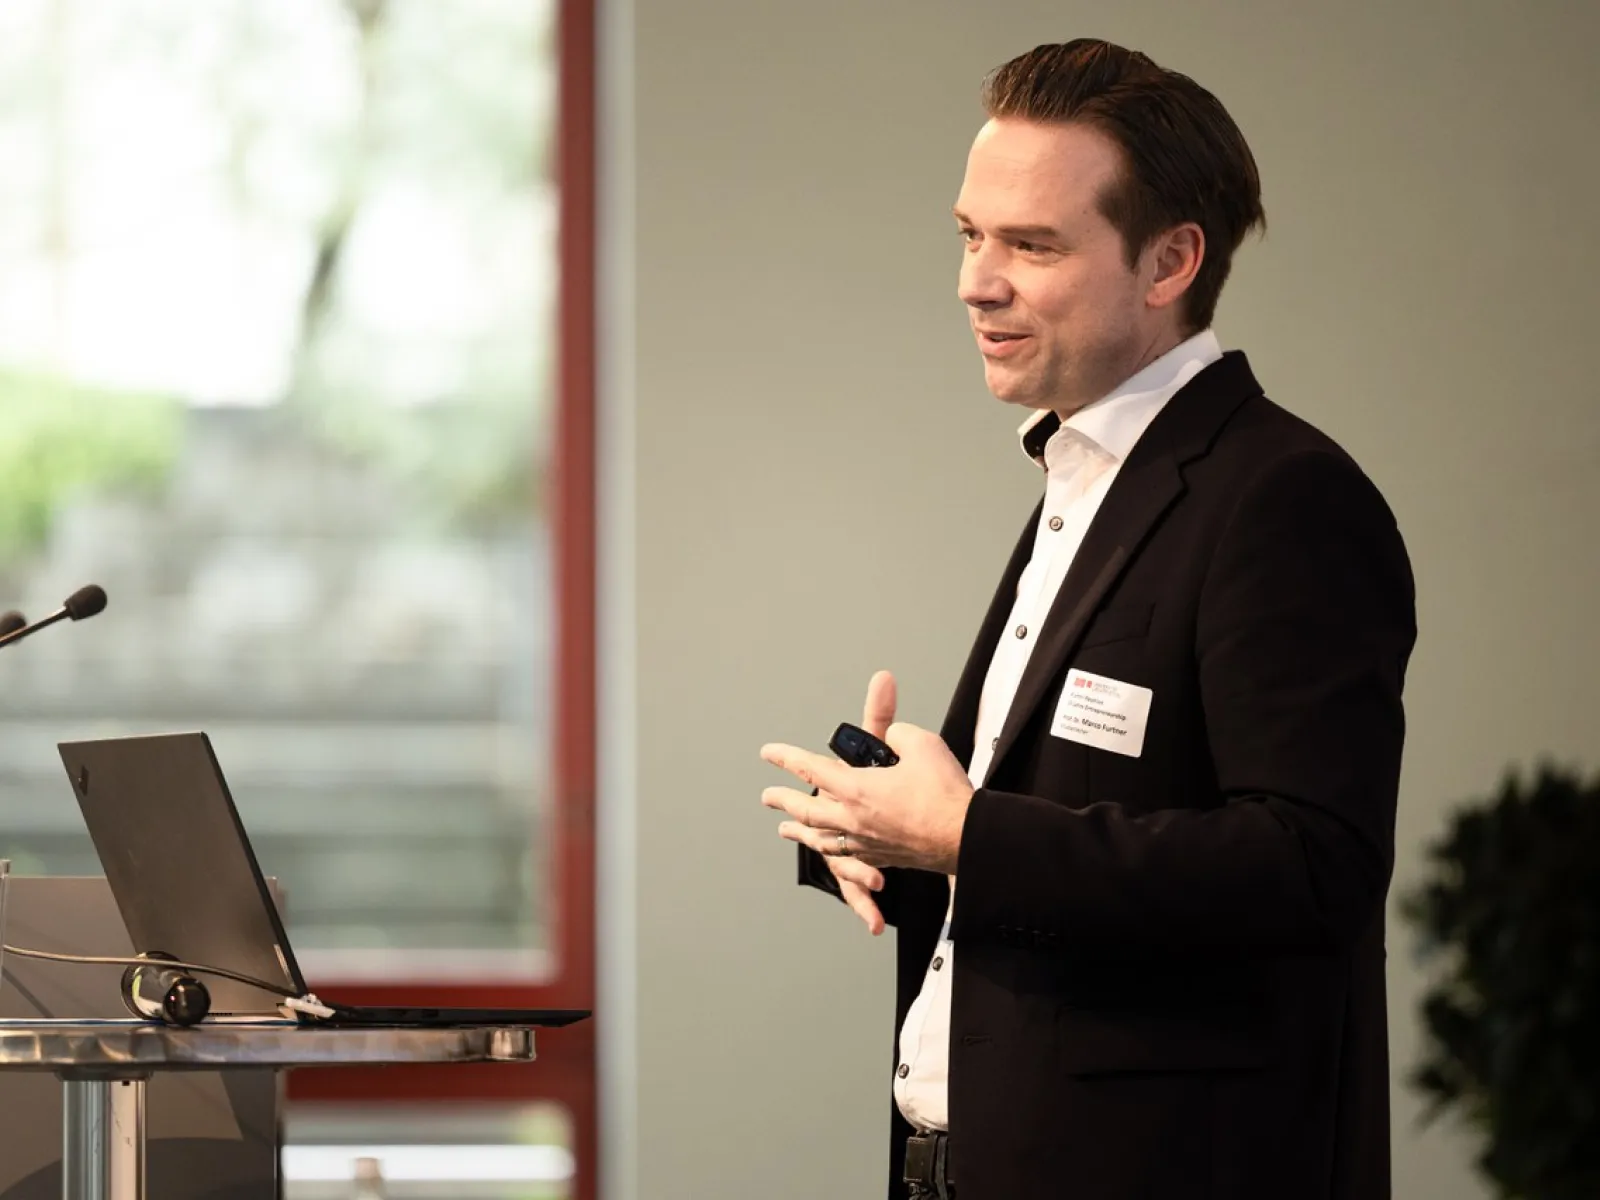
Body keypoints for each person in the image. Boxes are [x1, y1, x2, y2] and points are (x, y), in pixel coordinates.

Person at [758, 37, 1417, 1200]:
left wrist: (964, 834)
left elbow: (1312, 867)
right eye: (970, 234)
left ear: (1168, 262)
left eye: (1031, 244)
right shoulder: (1089, 476)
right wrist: (888, 832)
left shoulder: (1280, 497)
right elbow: (1077, 841)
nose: (976, 280)